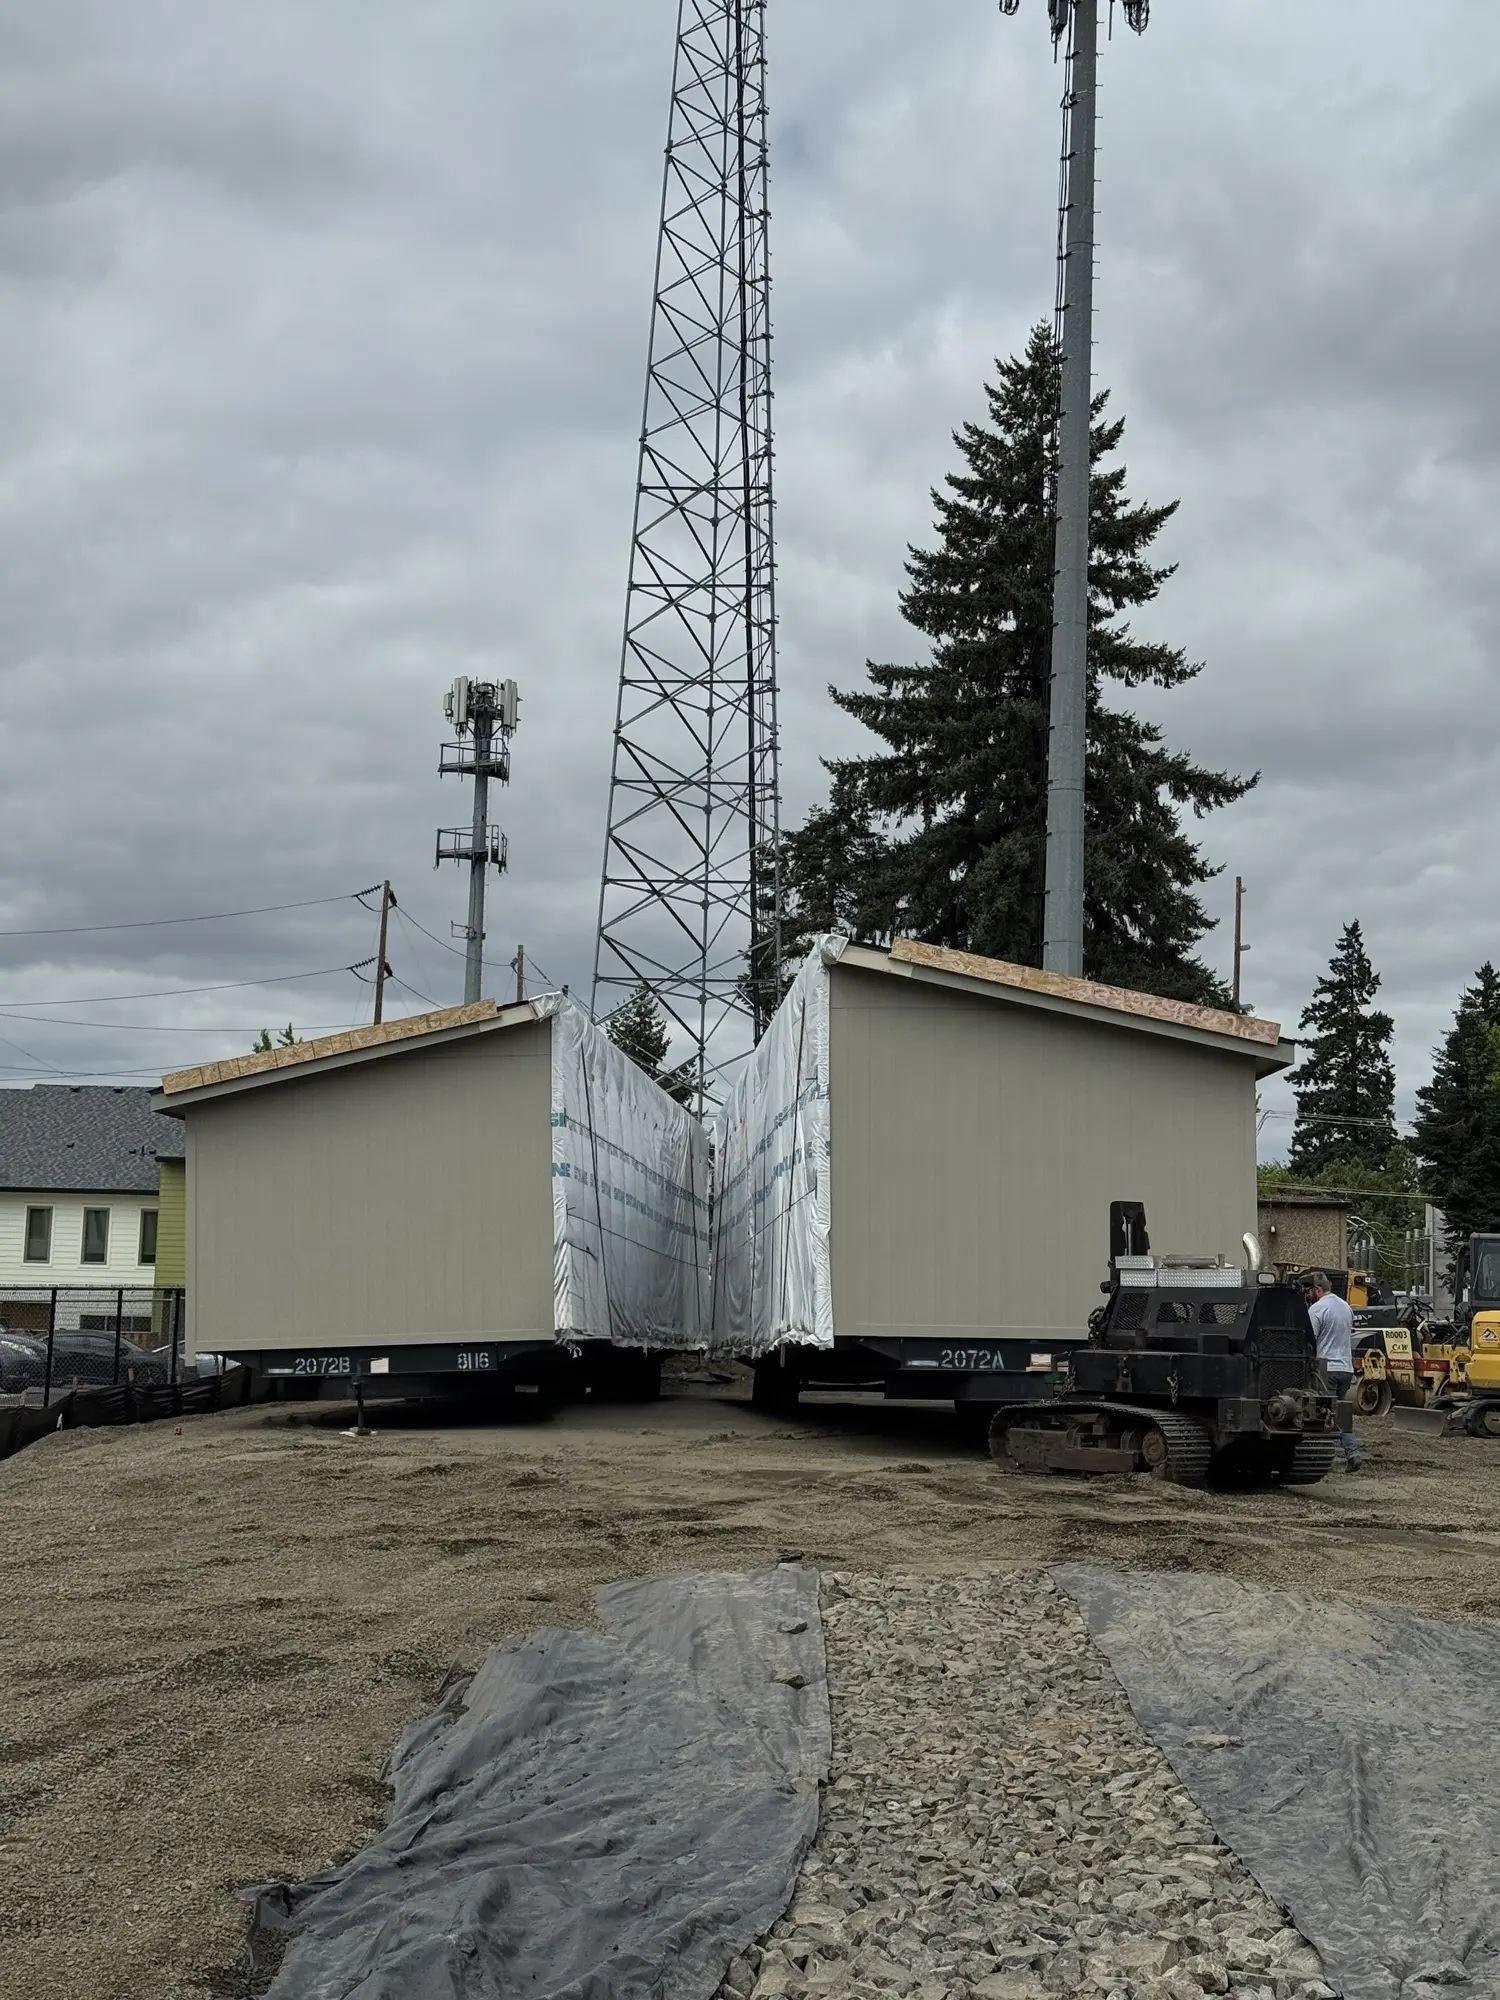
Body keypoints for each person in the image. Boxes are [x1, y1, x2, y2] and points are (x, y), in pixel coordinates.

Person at [1303, 1271, 1362, 1471]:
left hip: (1326, 1369)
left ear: (1318, 1289)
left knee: (1323, 1414)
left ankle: (1324, 1456)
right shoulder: (1346, 1307)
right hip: (1345, 1368)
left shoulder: (1317, 1309)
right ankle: (1351, 1452)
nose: (1307, 1294)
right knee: (1340, 1413)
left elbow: (1310, 1341)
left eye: (1309, 1290)